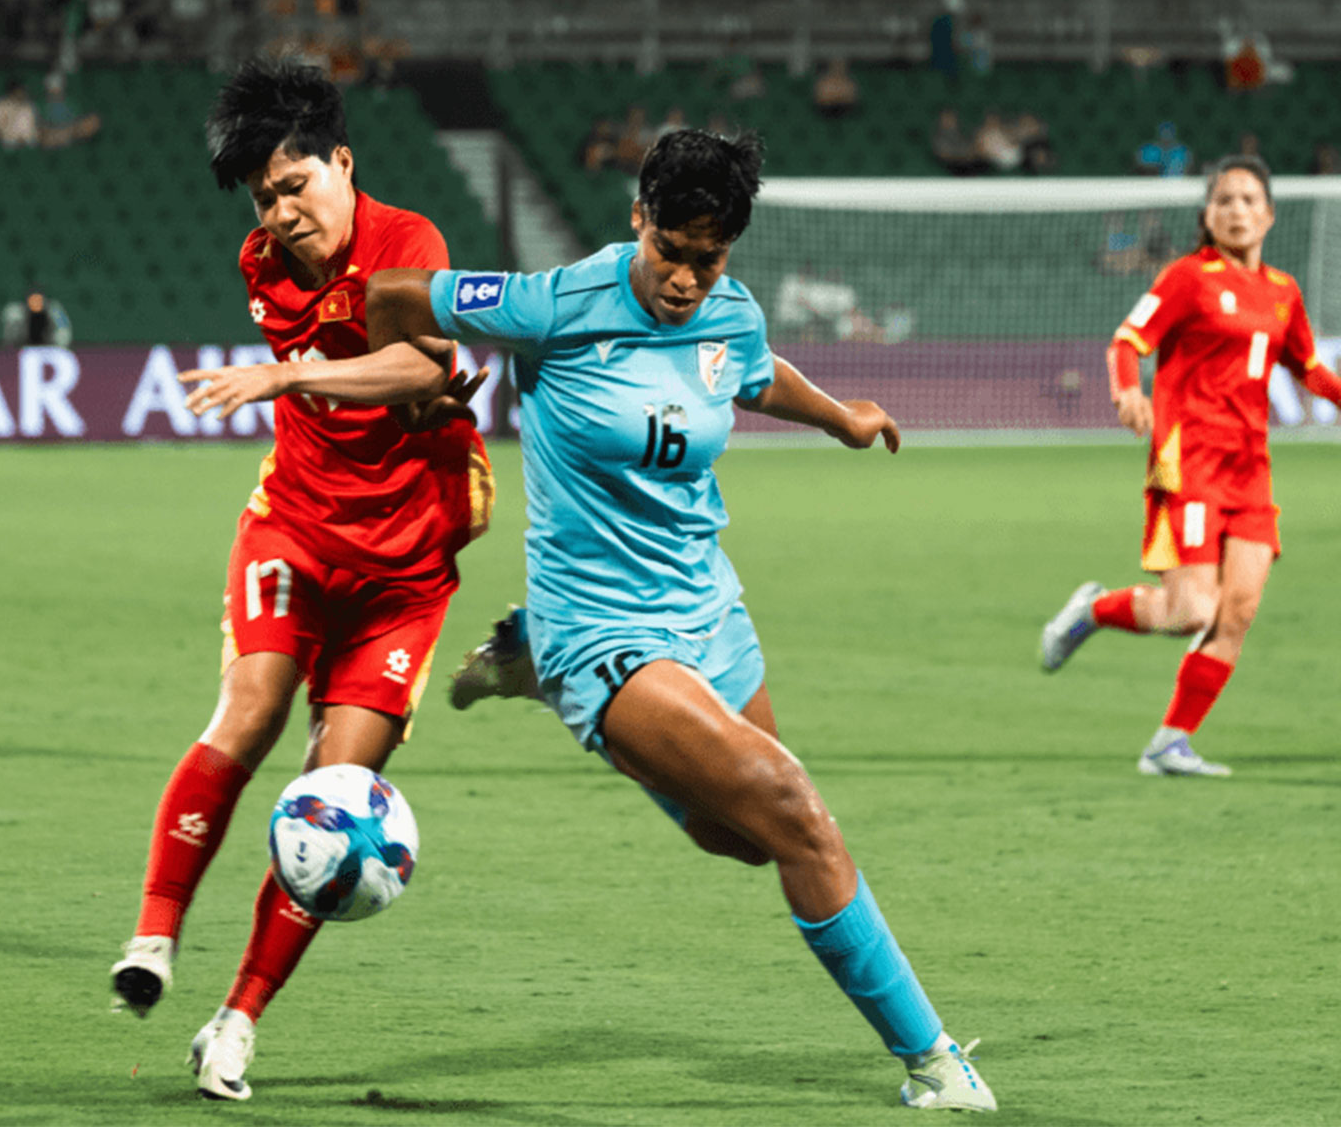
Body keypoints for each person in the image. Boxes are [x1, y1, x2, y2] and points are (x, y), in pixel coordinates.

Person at [364, 129, 998, 1113]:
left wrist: (841, 417)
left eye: (710, 260)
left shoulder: (728, 313)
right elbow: (391, 297)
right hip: (599, 626)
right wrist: (421, 389)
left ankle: (527, 672)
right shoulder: (558, 302)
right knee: (795, 813)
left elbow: (751, 369)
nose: (687, 280)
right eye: (673, 251)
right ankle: (932, 1062)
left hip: (705, 605)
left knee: (741, 840)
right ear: (637, 221)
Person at [107, 56, 493, 1102]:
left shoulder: (409, 243)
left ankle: (235, 1022)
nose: (279, 214)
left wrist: (289, 373)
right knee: (249, 711)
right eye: (263, 198)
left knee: (334, 802)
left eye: (295, 186)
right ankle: (152, 937)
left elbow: (418, 364)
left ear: (344, 163)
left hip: (404, 575)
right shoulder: (263, 264)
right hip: (297, 534)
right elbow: (407, 375)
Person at [1040, 155, 1341, 776]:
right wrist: (1128, 391)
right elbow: (1128, 340)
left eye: (1249, 200)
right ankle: (1094, 609)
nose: (1237, 210)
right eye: (1225, 200)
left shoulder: (1283, 292)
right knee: (1191, 613)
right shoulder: (1188, 277)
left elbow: (1306, 365)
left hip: (1250, 470)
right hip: (1189, 462)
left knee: (1238, 613)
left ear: (1270, 215)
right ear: (1207, 215)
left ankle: (1168, 744)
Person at [0, 79, 38, 149]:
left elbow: (33, 130)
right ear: (12, 92)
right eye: (20, 90)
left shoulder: (29, 107)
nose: (23, 93)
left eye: (24, 90)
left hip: (28, 147)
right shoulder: (0, 106)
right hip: (7, 146)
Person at [1, 287, 72, 346]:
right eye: (33, 300)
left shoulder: (55, 311)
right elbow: (10, 339)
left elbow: (64, 333)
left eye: (38, 299)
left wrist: (56, 346)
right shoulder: (16, 313)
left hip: (49, 348)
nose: (36, 303)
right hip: (24, 346)